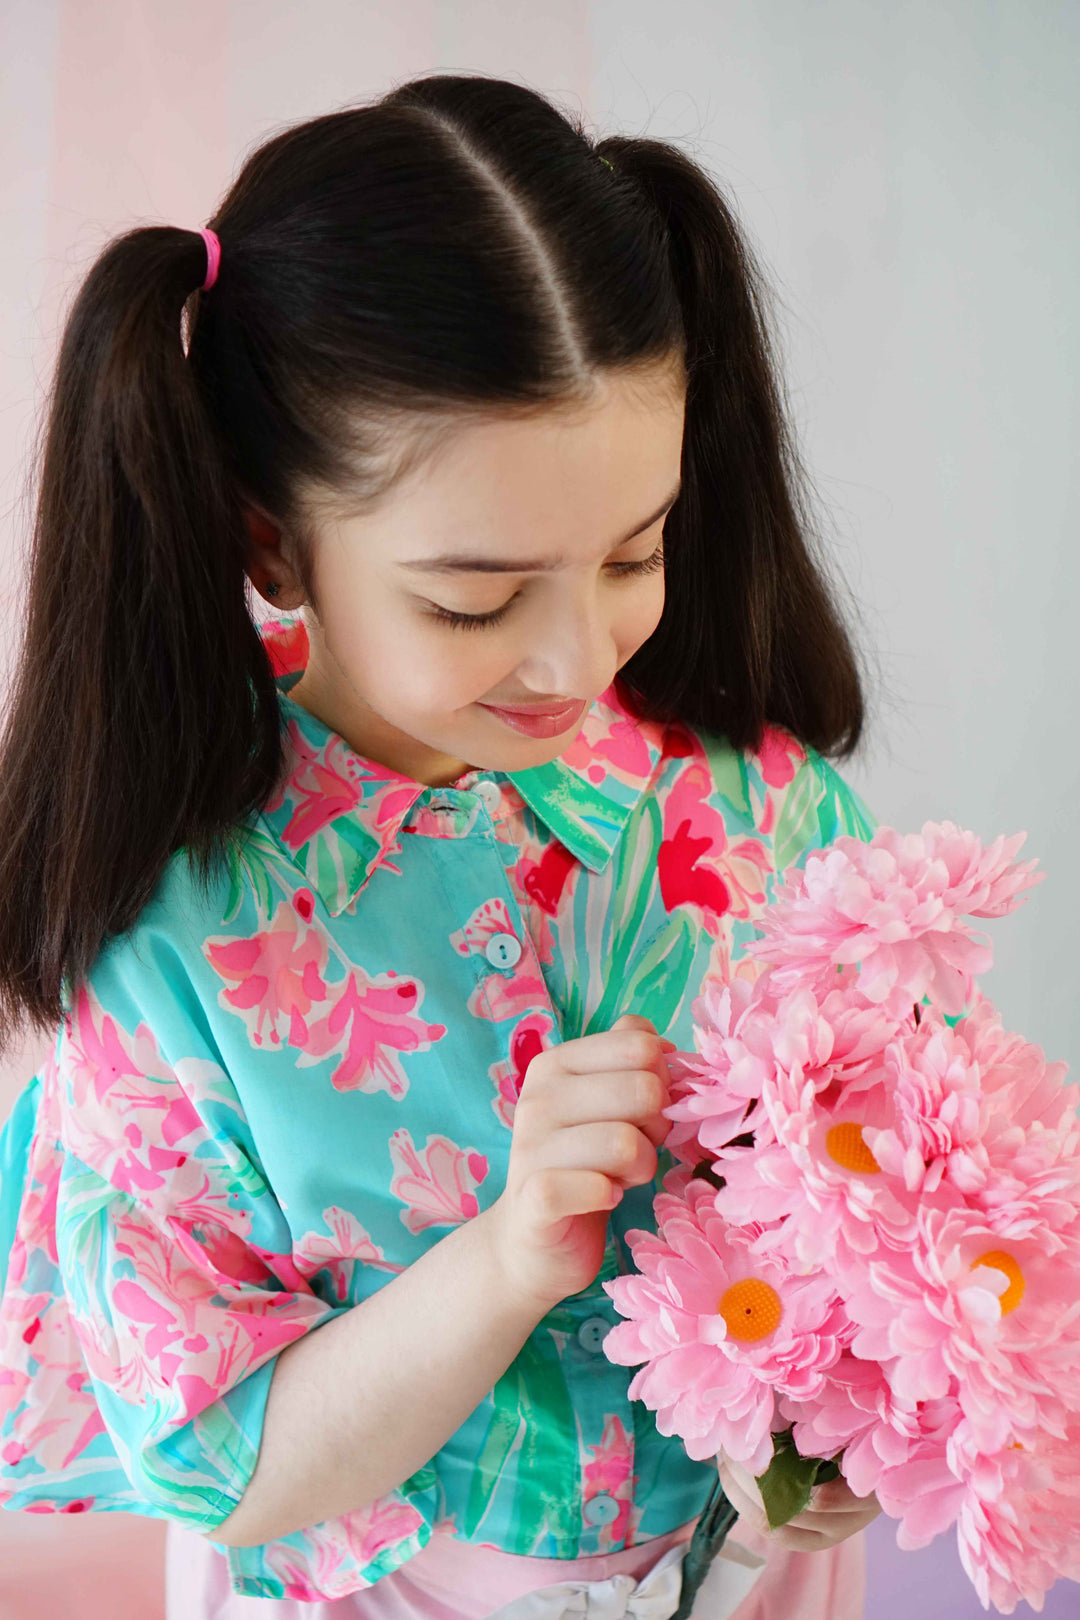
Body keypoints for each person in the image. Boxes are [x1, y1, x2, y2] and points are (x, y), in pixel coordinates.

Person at [0, 73, 883, 1620]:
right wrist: (509, 1259)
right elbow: (224, 1461)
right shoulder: (174, 929)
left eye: (634, 553)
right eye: (474, 600)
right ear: (271, 541)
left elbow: (890, 1240)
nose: (576, 659)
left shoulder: (766, 813)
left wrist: (839, 1440)